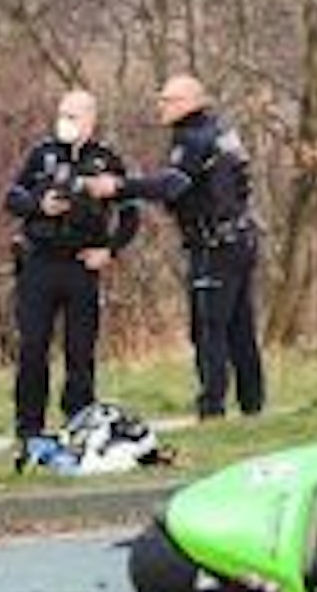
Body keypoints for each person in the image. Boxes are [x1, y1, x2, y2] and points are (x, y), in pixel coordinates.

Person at [88, 74, 264, 420]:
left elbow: (172, 185)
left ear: (191, 102)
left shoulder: (193, 138)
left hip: (214, 244)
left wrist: (120, 187)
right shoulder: (221, 131)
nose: (161, 106)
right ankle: (252, 404)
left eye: (168, 100)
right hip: (240, 239)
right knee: (240, 325)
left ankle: (212, 408)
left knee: (209, 329)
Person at [4, 89, 140, 468]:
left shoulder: (106, 160)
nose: (66, 121)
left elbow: (130, 214)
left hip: (81, 265)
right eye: (62, 114)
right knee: (33, 348)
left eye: (74, 116)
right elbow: (12, 197)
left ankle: (78, 423)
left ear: (90, 120)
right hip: (39, 263)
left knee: (80, 352)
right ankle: (28, 428)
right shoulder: (41, 155)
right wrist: (38, 204)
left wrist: (110, 250)